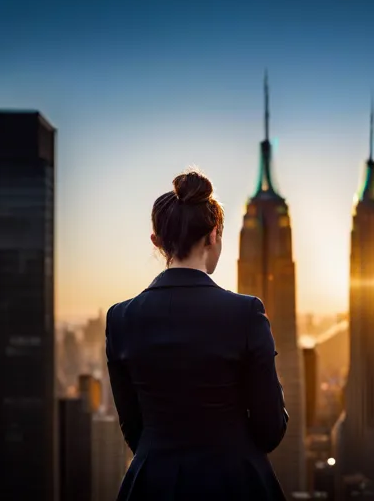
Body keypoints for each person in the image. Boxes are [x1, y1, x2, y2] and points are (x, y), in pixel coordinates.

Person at [106, 169, 288, 500]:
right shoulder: (245, 313)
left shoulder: (120, 318)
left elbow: (133, 428)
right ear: (213, 235)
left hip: (153, 484)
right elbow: (270, 428)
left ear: (157, 242)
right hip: (236, 484)